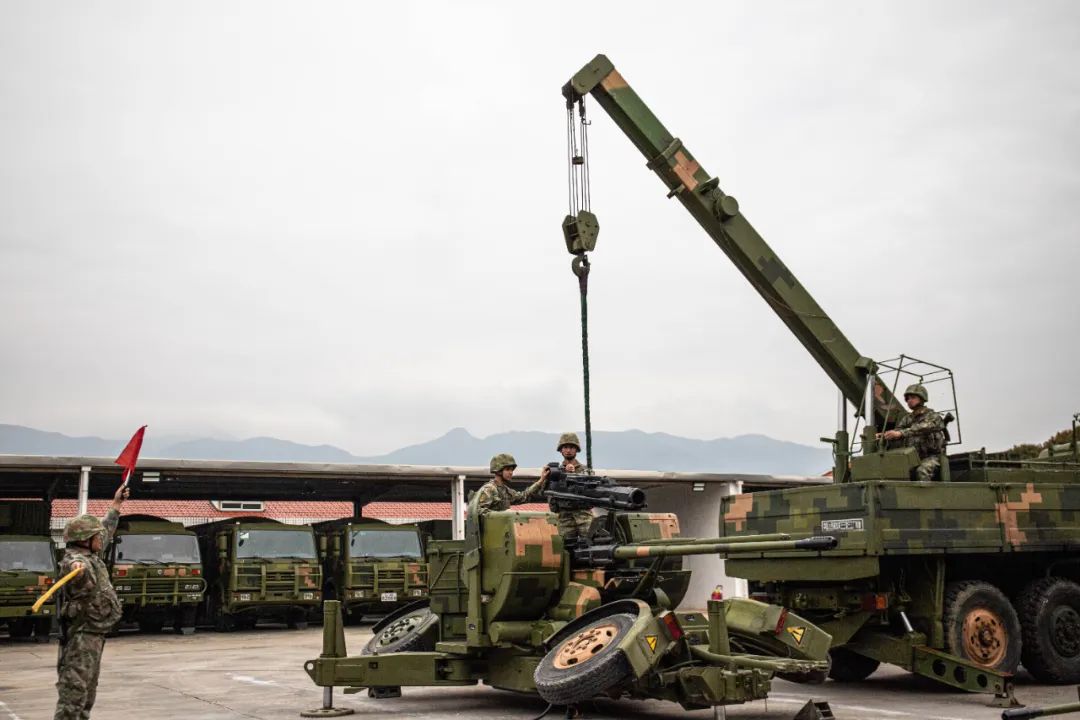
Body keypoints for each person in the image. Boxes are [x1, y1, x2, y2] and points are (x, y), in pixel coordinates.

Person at [54, 484, 128, 720]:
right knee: (73, 694)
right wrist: (78, 568)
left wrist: (117, 503)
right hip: (81, 636)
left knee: (88, 693)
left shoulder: (92, 553)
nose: (101, 538)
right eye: (96, 536)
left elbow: (107, 528)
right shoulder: (75, 560)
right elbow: (74, 566)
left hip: (94, 634)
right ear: (85, 540)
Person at [879, 384, 946, 481]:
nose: (909, 401)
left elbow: (924, 427)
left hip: (931, 457)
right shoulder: (907, 418)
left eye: (913, 397)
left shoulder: (933, 416)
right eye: (908, 399)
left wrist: (901, 433)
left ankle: (924, 491)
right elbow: (898, 430)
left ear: (922, 398)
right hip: (912, 457)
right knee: (895, 472)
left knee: (922, 471)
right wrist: (884, 435)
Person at [551, 432, 594, 540]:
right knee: (565, 545)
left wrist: (575, 474)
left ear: (576, 449)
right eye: (565, 447)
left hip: (583, 514)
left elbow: (592, 489)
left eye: (571, 447)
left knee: (591, 541)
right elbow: (549, 489)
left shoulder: (586, 470)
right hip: (564, 515)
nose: (568, 450)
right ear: (561, 450)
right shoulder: (555, 471)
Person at [475, 453, 548, 515]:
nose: (511, 472)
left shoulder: (506, 490)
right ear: (498, 471)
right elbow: (479, 511)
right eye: (507, 469)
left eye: (512, 470)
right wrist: (503, 514)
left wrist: (541, 480)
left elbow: (523, 496)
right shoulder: (489, 489)